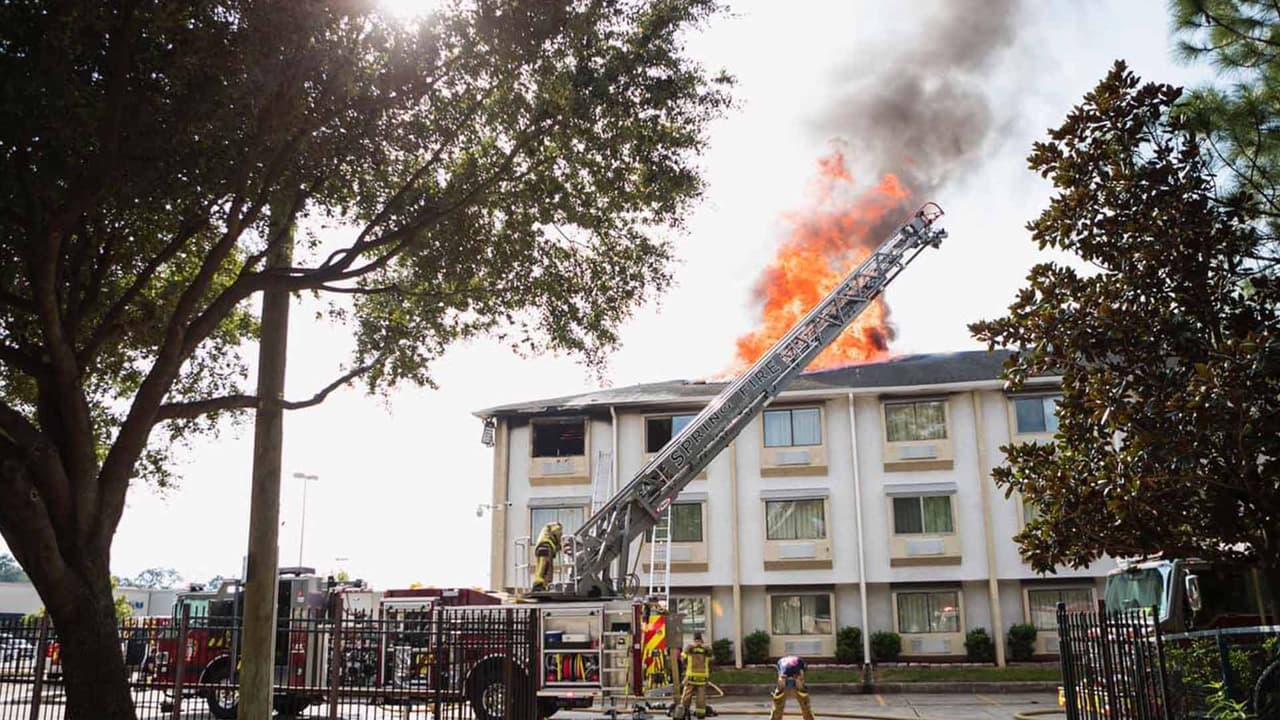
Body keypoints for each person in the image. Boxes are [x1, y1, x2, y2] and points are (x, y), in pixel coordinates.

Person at [676, 631, 712, 719]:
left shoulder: (690, 648)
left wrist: (687, 649)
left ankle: (682, 713)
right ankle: (700, 714)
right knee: (701, 699)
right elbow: (711, 660)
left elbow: (682, 658)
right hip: (702, 679)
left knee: (686, 697)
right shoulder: (706, 650)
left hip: (691, 678)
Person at [769, 654, 814, 720]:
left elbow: (780, 676)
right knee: (805, 704)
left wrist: (779, 691)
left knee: (778, 705)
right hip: (795, 679)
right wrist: (802, 688)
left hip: (783, 678)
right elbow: (801, 675)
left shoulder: (781, 661)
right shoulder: (801, 662)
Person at [530, 521, 563, 592]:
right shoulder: (556, 527)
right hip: (546, 548)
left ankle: (542, 585)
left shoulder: (546, 529)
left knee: (541, 568)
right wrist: (558, 543)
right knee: (545, 568)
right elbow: (556, 536)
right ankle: (539, 585)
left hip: (541, 547)